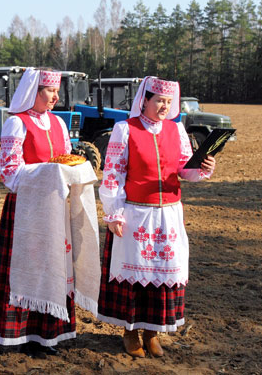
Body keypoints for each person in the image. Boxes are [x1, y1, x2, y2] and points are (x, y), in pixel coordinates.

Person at [97, 77, 215, 358]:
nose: (164, 106)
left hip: (169, 216)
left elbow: (186, 170)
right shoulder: (125, 129)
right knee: (135, 277)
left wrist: (204, 166)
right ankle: (130, 332)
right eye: (159, 100)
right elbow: (113, 173)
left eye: (168, 101)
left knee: (164, 275)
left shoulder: (177, 131)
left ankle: (152, 333)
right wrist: (113, 212)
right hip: (136, 214)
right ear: (145, 101)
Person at [0, 67, 100, 355]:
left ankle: (48, 333)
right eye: (50, 90)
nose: (55, 96)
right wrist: (49, 171)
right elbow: (9, 174)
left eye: (56, 91)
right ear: (33, 92)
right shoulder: (16, 124)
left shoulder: (59, 124)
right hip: (25, 208)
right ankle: (18, 332)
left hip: (54, 206)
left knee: (52, 265)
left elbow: (63, 162)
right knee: (28, 266)